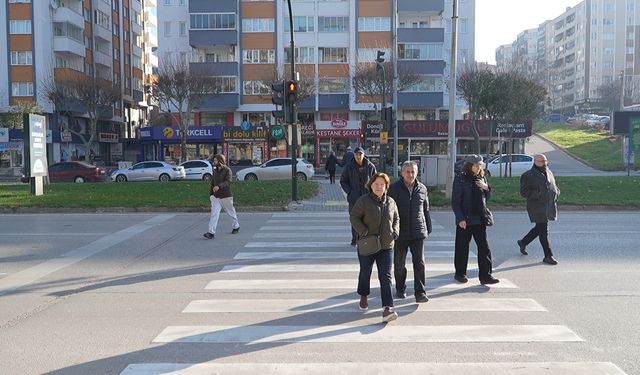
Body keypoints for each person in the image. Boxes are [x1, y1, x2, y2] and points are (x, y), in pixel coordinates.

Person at [350, 172, 400, 323]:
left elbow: (396, 218)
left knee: (386, 276)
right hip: (367, 244)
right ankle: (364, 296)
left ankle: (388, 308)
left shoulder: (391, 202)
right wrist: (363, 231)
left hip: (386, 245)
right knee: (365, 272)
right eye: (376, 184)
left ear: (386, 187)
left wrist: (395, 232)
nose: (379, 187)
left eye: (382, 185)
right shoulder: (363, 201)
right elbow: (354, 217)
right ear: (370, 185)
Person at [387, 161, 432, 303]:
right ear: (402, 173)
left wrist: (428, 227)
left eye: (413, 172)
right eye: (407, 172)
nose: (410, 174)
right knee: (399, 263)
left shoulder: (423, 189)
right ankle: (400, 288)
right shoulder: (393, 189)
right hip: (400, 233)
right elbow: (389, 211)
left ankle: (420, 292)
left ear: (417, 173)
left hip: (418, 232)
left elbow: (426, 210)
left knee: (419, 263)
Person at [451, 154, 499, 285]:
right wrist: (460, 218)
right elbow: (455, 202)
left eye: (480, 165)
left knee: (484, 247)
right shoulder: (460, 179)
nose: (479, 167)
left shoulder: (481, 178)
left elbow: (487, 198)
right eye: (476, 165)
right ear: (469, 166)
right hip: (465, 219)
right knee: (462, 247)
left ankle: (486, 276)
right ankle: (460, 273)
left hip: (480, 218)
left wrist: (486, 188)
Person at [518, 153, 560, 265]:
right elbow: (524, 192)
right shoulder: (528, 175)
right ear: (535, 162)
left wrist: (556, 192)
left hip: (549, 205)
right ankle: (548, 255)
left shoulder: (548, 171)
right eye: (541, 161)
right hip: (537, 207)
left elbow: (553, 185)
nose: (544, 163)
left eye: (545, 161)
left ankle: (523, 242)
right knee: (543, 231)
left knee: (539, 228)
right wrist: (538, 194)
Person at [340, 146, 377, 246]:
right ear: (354, 155)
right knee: (355, 219)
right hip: (354, 199)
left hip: (367, 198)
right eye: (356, 154)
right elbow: (343, 181)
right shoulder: (349, 166)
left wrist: (372, 192)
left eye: (360, 154)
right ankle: (355, 239)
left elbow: (376, 181)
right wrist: (350, 192)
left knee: (368, 219)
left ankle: (366, 239)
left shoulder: (370, 166)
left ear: (363, 155)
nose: (358, 156)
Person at [203, 154, 240, 239]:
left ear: (220, 161)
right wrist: (211, 195)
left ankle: (236, 226)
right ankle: (211, 233)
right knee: (214, 214)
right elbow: (213, 183)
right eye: (214, 160)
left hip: (226, 196)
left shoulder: (227, 170)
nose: (214, 162)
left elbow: (228, 182)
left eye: (215, 160)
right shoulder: (215, 170)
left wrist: (219, 186)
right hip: (216, 197)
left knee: (231, 212)